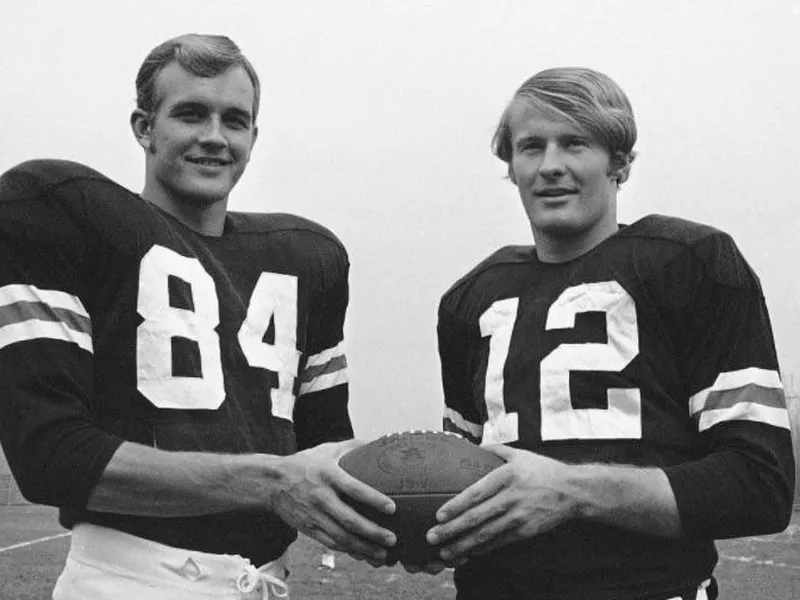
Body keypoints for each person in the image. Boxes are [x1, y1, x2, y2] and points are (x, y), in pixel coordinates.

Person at [0, 34, 396, 599]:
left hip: (265, 582)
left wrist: (418, 517)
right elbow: (51, 457)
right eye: (190, 114)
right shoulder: (57, 210)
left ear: (253, 138)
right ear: (144, 126)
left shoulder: (309, 259)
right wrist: (271, 483)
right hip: (127, 582)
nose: (214, 136)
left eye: (234, 120)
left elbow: (325, 448)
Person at [427, 67, 795, 599]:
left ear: (619, 160)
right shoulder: (470, 299)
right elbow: (459, 480)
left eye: (575, 143)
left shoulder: (692, 263)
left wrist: (571, 491)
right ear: (511, 167)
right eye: (531, 147)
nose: (551, 165)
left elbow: (759, 485)